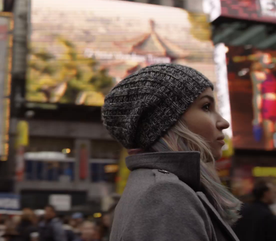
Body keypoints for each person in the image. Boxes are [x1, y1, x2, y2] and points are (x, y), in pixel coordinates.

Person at [101, 63, 241, 240]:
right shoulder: (165, 194)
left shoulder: (160, 186)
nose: (223, 123)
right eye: (206, 107)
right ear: (167, 122)